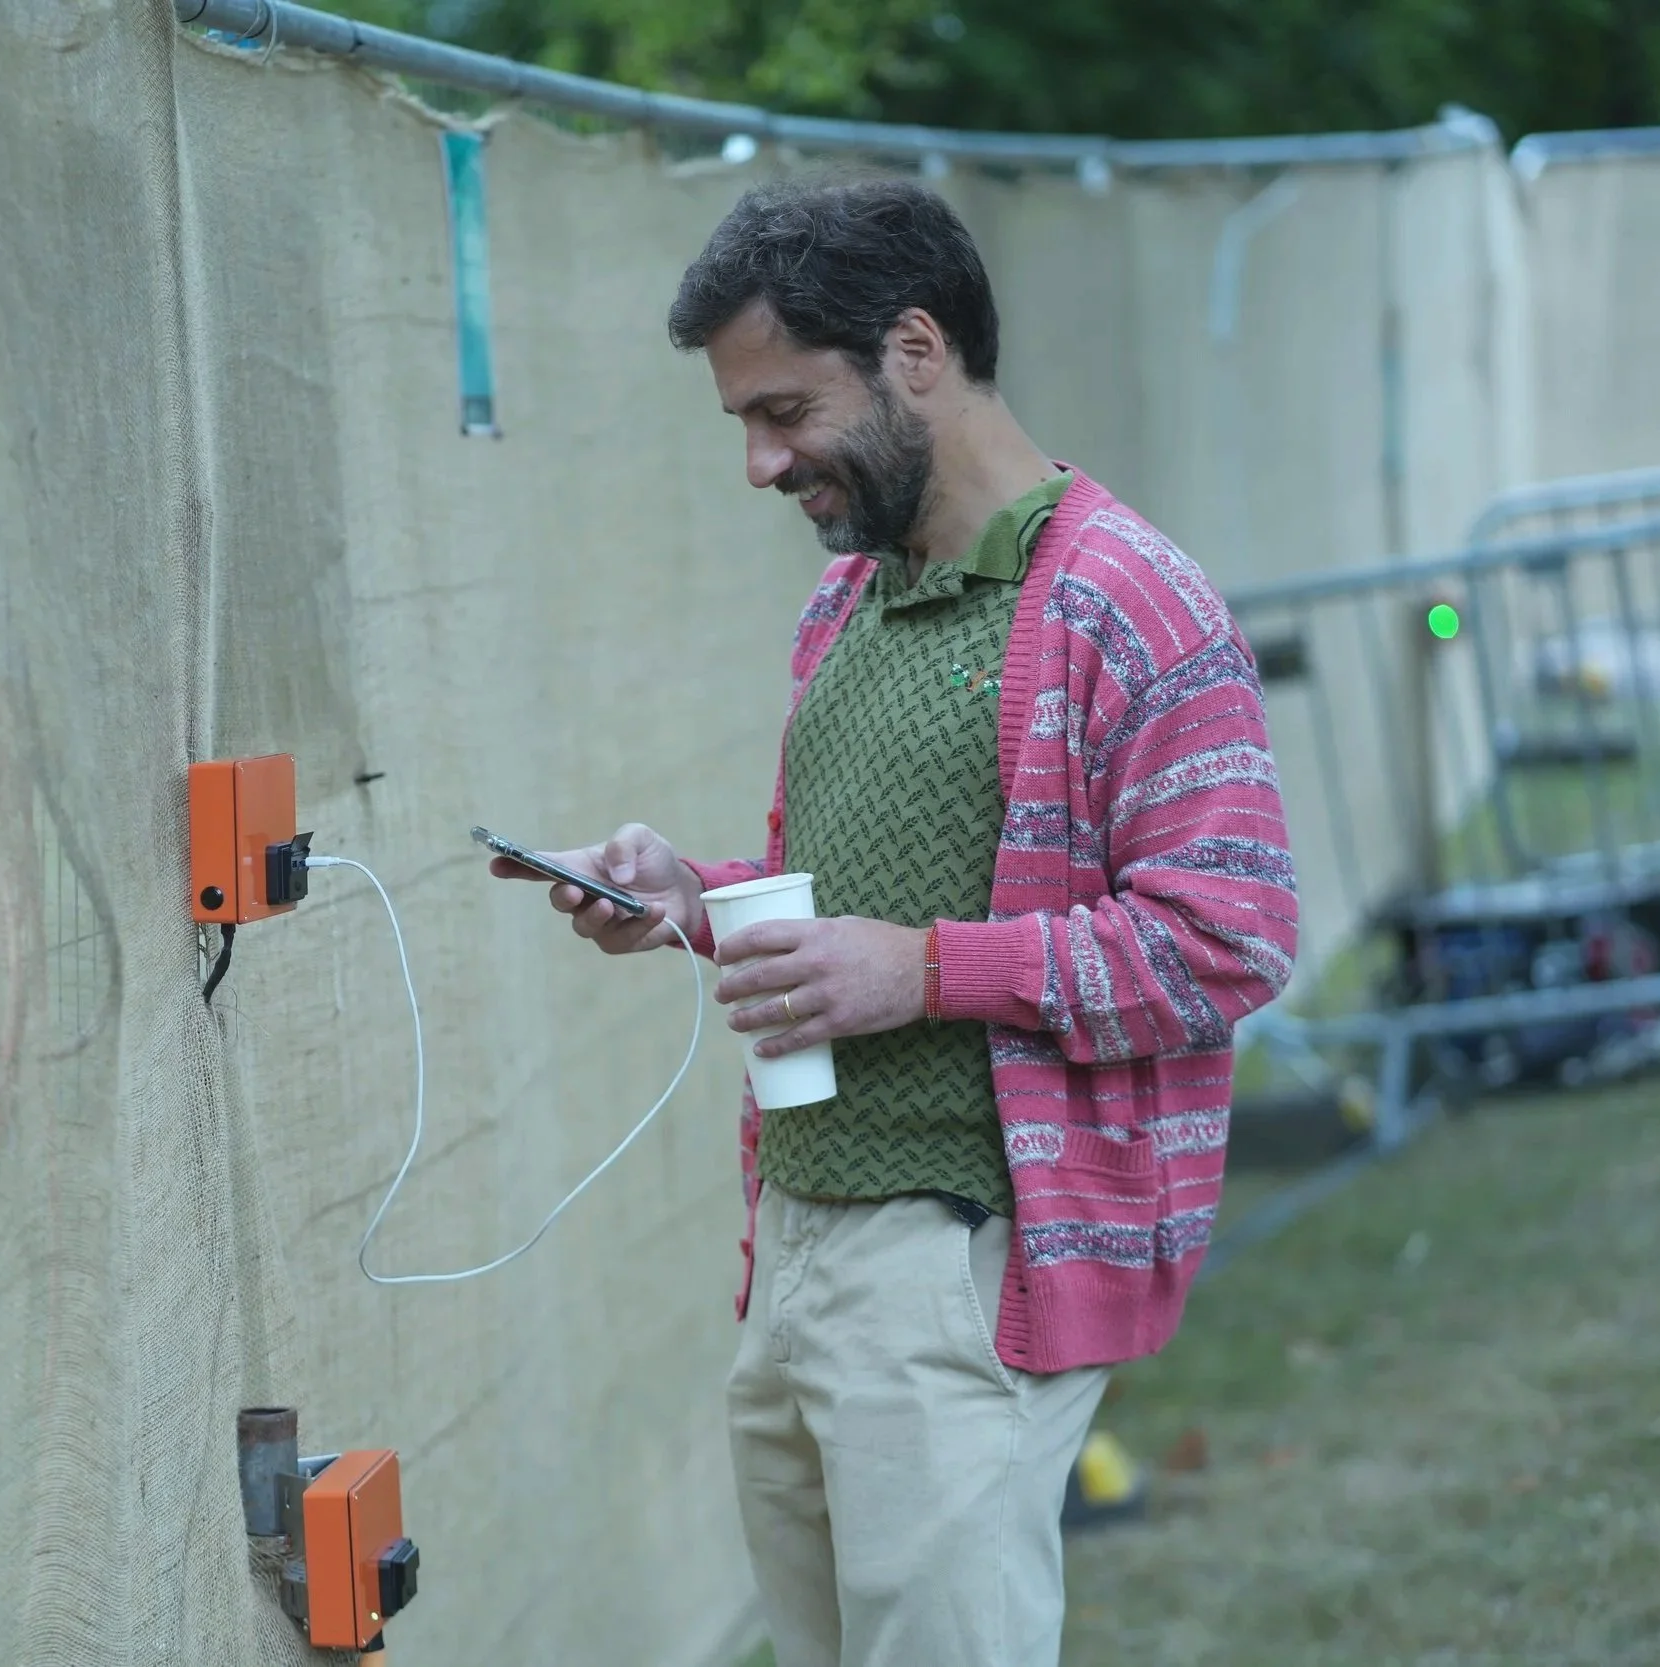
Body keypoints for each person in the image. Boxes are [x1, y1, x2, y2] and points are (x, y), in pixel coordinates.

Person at [490, 177, 1298, 1667]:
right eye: (743, 419)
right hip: (797, 1249)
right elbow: (865, 916)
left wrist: (919, 971)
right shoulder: (848, 601)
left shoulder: (1131, 600)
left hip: (967, 1263)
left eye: (784, 409)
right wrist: (690, 902)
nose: (757, 460)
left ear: (913, 350)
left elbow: (1226, 938)